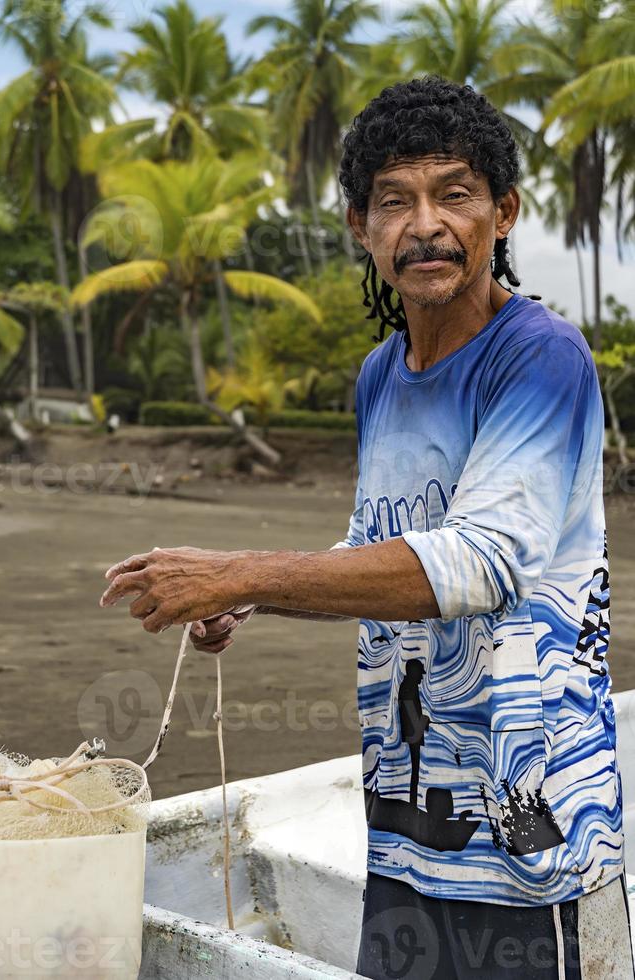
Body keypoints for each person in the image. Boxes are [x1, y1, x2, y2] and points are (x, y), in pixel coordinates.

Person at [99, 77, 633, 979]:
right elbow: (378, 546)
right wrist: (255, 601)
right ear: (361, 227)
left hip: (529, 831)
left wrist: (245, 572)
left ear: (502, 213)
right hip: (404, 815)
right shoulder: (381, 377)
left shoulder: (542, 358)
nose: (424, 224)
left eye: (453, 194)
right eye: (395, 200)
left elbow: (478, 565)